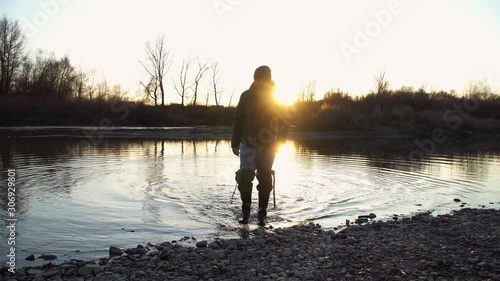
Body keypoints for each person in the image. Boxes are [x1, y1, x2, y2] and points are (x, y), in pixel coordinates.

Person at [231, 65, 289, 226]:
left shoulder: (276, 97)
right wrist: (234, 143)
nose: (261, 83)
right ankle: (246, 209)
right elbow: (238, 120)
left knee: (265, 176)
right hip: (247, 143)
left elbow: (285, 121)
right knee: (244, 176)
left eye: (264, 80)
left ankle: (262, 212)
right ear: (254, 80)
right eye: (258, 80)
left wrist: (281, 142)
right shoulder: (246, 96)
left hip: (269, 145)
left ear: (269, 80)